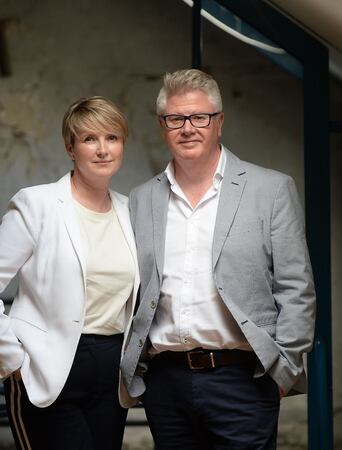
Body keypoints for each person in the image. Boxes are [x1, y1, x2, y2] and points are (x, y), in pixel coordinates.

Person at [120, 69, 316, 449]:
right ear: (163, 126)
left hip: (244, 380)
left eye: (199, 117)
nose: (188, 127)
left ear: (219, 121)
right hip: (166, 383)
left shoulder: (270, 189)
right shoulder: (142, 199)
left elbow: (296, 287)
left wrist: (285, 370)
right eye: (175, 119)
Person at [0, 96, 139, 450]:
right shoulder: (37, 204)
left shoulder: (131, 211)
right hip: (46, 370)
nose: (103, 149)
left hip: (110, 373)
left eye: (112, 138)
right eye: (90, 139)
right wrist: (12, 361)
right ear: (70, 148)